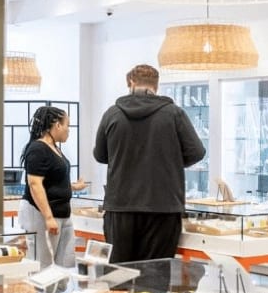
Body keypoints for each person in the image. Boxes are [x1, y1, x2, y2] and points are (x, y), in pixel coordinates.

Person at [93, 64, 205, 263]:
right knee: (156, 272)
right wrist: (170, 162)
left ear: (131, 83)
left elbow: (100, 155)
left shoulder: (112, 114)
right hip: (163, 207)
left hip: (121, 206)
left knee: (119, 273)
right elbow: (196, 152)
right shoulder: (174, 114)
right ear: (156, 86)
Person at [18, 106, 87, 268]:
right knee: (43, 266)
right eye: (67, 125)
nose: (68, 130)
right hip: (42, 214)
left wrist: (73, 187)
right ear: (57, 125)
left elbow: (53, 181)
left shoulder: (54, 148)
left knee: (66, 263)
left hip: (63, 213)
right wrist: (48, 217)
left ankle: (62, 286)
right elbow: (35, 184)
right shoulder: (37, 149)